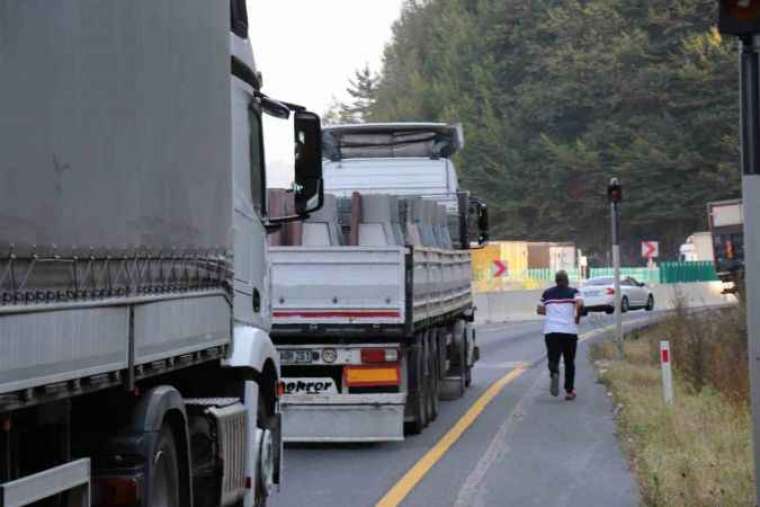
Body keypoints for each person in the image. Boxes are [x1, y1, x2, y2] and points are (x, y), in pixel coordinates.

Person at [537, 270, 584, 400]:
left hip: (551, 331)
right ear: (567, 280)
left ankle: (554, 371)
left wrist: (552, 312)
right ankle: (569, 391)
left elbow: (539, 310)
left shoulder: (547, 293)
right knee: (569, 361)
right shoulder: (574, 292)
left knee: (553, 358)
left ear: (556, 280)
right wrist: (577, 318)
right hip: (569, 331)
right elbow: (580, 306)